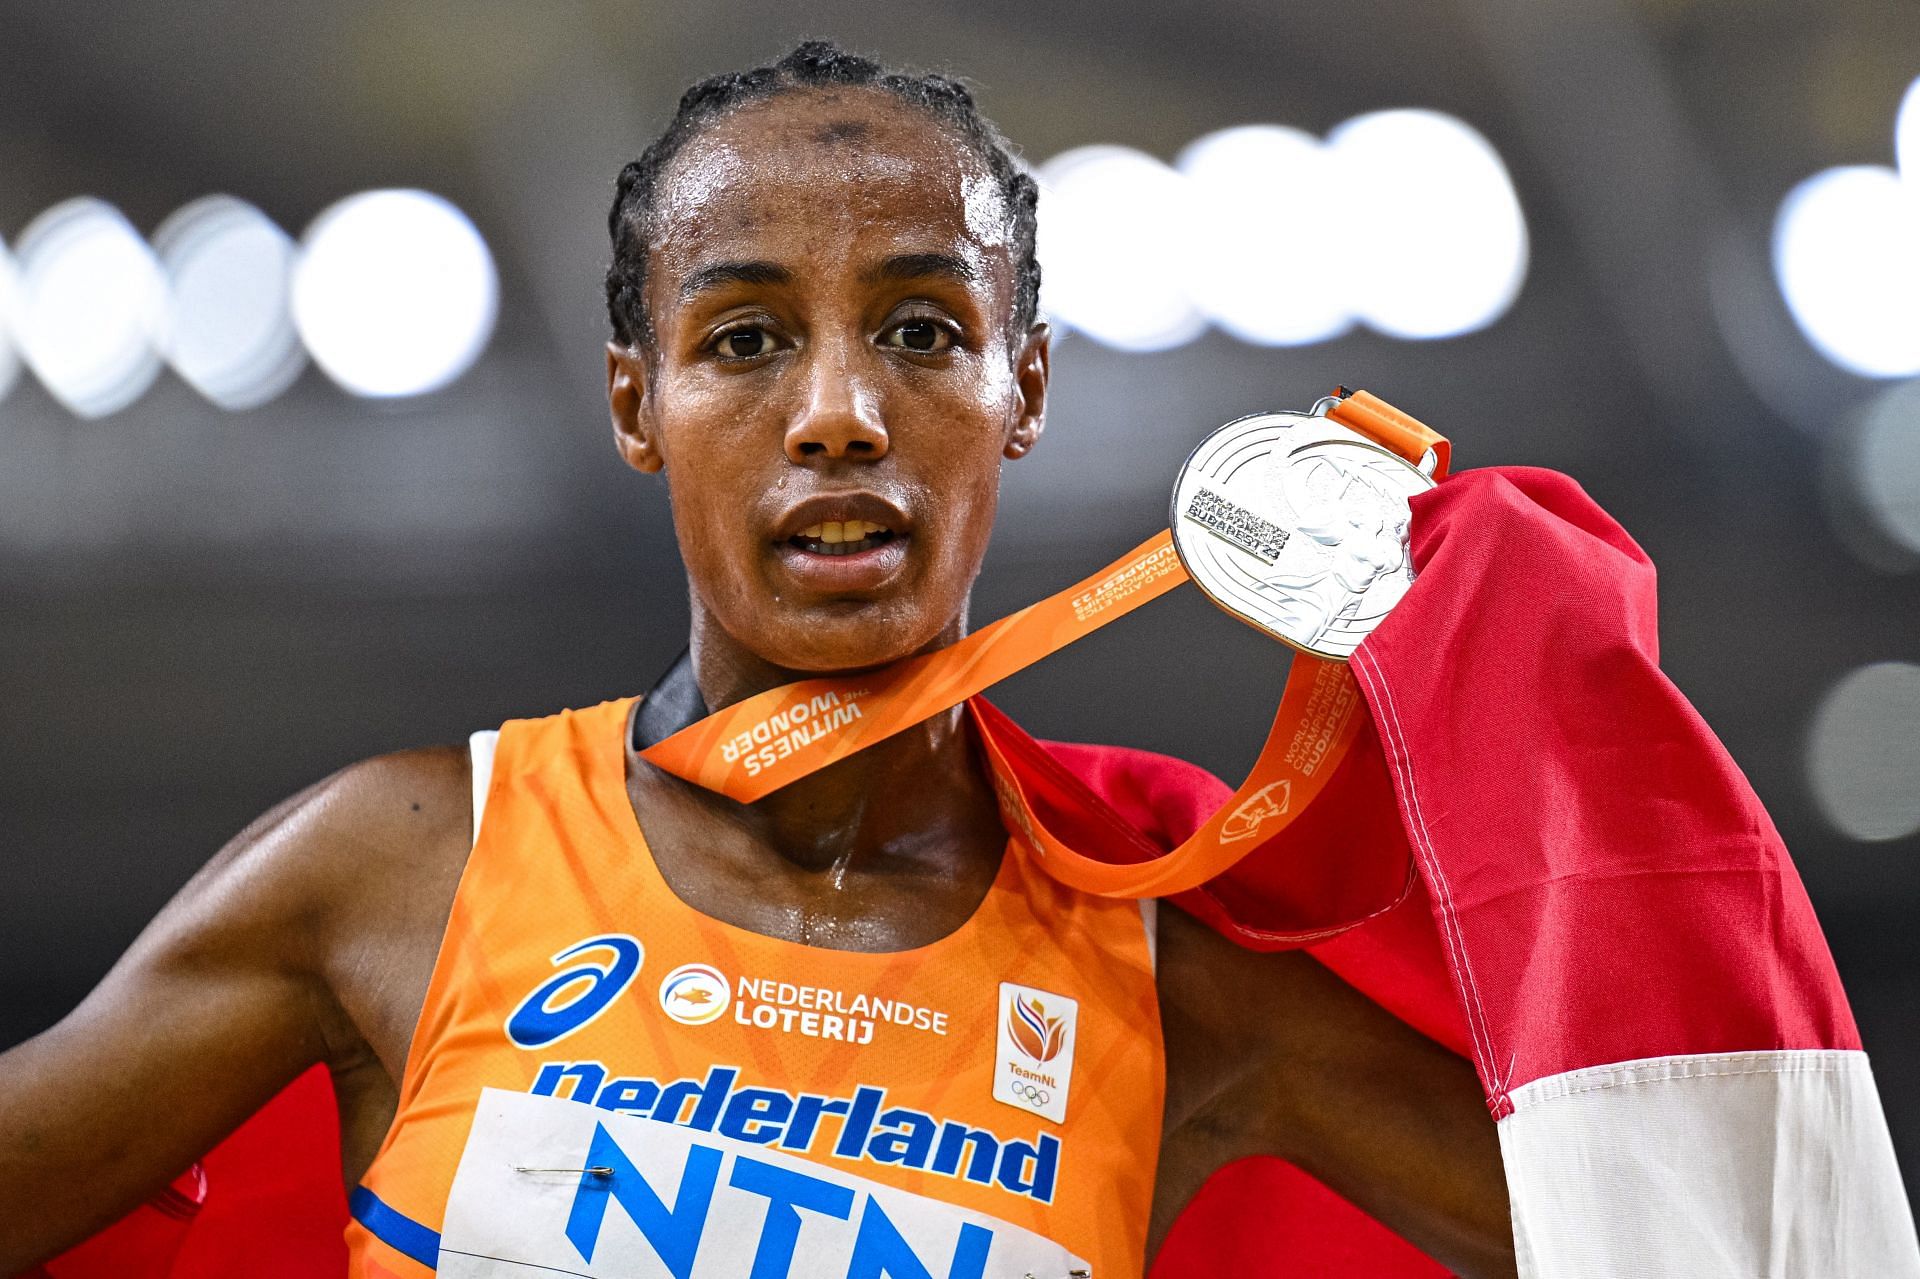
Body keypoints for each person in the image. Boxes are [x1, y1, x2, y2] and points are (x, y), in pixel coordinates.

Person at [0, 42, 1521, 1277]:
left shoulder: (1170, 980)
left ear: (1026, 386)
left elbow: (1698, 1199)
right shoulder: (407, 869)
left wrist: (1534, 672)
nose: (839, 413)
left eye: (924, 331)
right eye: (743, 340)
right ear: (635, 403)